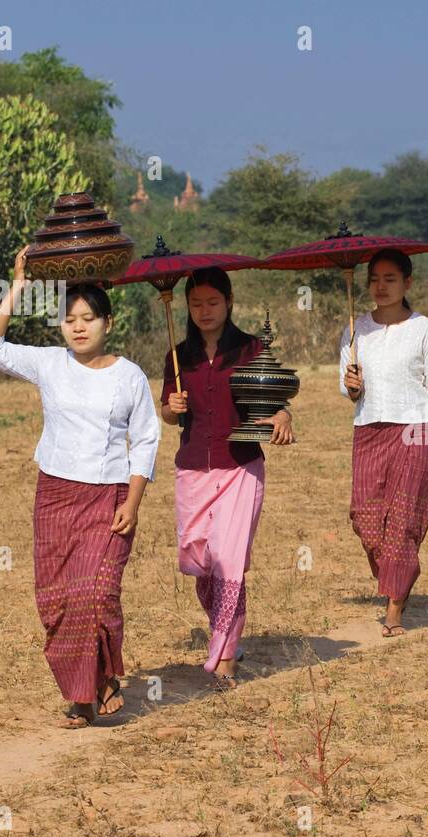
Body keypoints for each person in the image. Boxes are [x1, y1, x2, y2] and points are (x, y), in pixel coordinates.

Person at [0, 248, 160, 728]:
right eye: (70, 319)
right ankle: (84, 694)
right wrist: (18, 285)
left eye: (89, 318)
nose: (79, 327)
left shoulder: (129, 376)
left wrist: (134, 503)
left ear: (109, 323)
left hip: (110, 498)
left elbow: (145, 440)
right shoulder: (49, 364)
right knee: (58, 600)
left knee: (98, 593)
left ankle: (99, 680)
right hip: (55, 496)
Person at [160, 268, 294, 690]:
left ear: (230, 300)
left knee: (228, 561)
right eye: (196, 303)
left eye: (212, 302)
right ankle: (227, 639)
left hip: (240, 467)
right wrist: (171, 406)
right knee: (201, 563)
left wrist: (282, 416)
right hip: (193, 469)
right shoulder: (178, 357)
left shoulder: (253, 348)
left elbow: (275, 401)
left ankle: (224, 660)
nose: (204, 311)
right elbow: (166, 414)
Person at [340, 249, 428, 636]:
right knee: (366, 520)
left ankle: (394, 608)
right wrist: (349, 386)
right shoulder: (355, 329)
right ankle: (402, 572)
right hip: (369, 428)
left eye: (390, 278)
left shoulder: (423, 328)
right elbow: (345, 386)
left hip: (416, 428)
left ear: (407, 283)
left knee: (403, 520)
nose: (381, 286)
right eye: (375, 278)